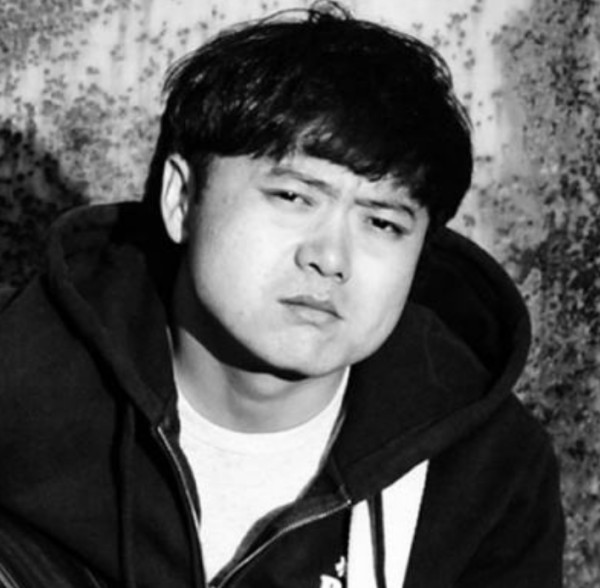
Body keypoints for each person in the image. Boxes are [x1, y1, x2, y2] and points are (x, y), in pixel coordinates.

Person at [0, 3, 564, 587]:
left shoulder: (486, 474)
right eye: (294, 197)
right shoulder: (19, 391)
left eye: (382, 223)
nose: (330, 258)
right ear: (181, 199)